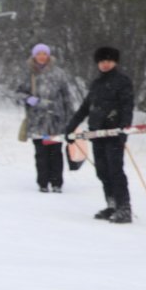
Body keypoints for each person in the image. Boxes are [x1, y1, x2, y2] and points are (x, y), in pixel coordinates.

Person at [64, 46, 135, 223]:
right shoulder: (97, 84)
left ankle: (124, 208)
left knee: (115, 171)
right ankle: (111, 205)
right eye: (102, 61)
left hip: (114, 134)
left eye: (109, 61)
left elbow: (127, 107)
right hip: (96, 134)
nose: (105, 64)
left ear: (115, 62)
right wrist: (71, 127)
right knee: (102, 171)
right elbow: (85, 108)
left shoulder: (122, 81)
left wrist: (124, 129)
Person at [15, 43, 74, 192]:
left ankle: (56, 183)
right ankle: (42, 183)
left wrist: (70, 117)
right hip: (37, 120)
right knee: (41, 153)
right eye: (39, 54)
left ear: (49, 56)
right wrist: (31, 100)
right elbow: (18, 93)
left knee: (56, 152)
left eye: (44, 54)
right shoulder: (27, 73)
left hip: (56, 119)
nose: (42, 56)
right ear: (34, 56)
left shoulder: (59, 73)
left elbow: (67, 96)